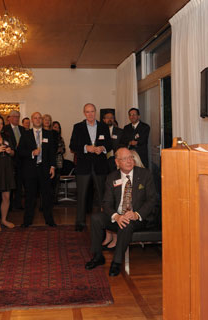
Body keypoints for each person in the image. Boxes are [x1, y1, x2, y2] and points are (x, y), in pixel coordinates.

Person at [85, 147, 158, 277]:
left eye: (130, 157)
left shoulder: (145, 174)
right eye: (124, 159)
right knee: (96, 218)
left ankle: (116, 262)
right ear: (117, 163)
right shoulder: (112, 177)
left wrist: (137, 214)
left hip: (138, 219)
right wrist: (116, 216)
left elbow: (152, 200)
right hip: (118, 215)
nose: (129, 161)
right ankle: (97, 256)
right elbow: (106, 202)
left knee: (127, 224)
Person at [69, 103, 112, 232]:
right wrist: (85, 148)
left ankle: (103, 222)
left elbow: (109, 144)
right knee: (81, 196)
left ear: (96, 112)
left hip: (100, 166)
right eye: (87, 112)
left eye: (92, 111)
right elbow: (72, 145)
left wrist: (102, 148)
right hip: (83, 166)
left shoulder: (104, 126)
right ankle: (80, 223)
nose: (90, 114)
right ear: (84, 113)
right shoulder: (78, 127)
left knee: (102, 196)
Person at [17, 112, 57, 227]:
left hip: (45, 170)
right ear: (32, 120)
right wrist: (32, 153)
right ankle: (27, 221)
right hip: (30, 170)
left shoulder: (48, 134)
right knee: (30, 197)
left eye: (40, 118)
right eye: (35, 118)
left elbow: (52, 153)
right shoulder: (26, 134)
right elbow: (20, 152)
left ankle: (49, 220)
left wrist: (53, 167)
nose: (38, 120)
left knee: (47, 196)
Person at [3, 110, 25, 210]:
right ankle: (10, 205)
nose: (16, 118)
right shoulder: (5, 129)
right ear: (9, 118)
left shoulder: (23, 129)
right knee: (10, 183)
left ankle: (18, 204)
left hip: (21, 161)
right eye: (15, 116)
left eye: (18, 117)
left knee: (19, 183)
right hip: (10, 160)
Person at [51, 121, 66, 202]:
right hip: (50, 163)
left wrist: (61, 150)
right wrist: (56, 150)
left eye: (58, 127)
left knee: (57, 181)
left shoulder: (60, 138)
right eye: (55, 127)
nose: (56, 129)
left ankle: (55, 198)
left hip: (59, 162)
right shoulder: (49, 137)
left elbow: (64, 149)